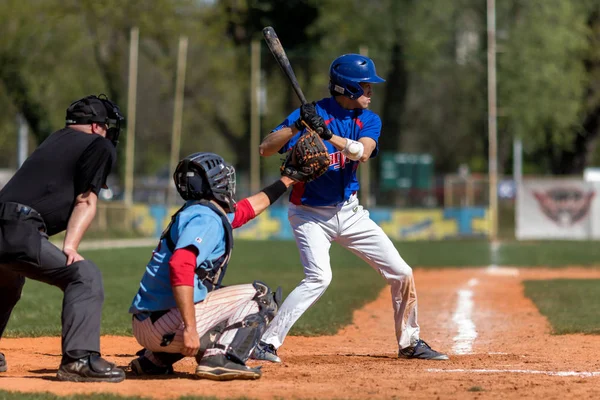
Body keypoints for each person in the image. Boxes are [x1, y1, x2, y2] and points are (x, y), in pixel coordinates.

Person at [253, 54, 448, 363]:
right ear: (346, 88)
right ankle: (265, 343)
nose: (370, 92)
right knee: (319, 277)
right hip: (308, 214)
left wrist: (328, 135)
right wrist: (295, 127)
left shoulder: (368, 120)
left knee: (401, 272)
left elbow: (363, 153)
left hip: (349, 212)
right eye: (365, 86)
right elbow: (265, 148)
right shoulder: (310, 113)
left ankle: (410, 342)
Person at [127, 152, 296, 381]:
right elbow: (181, 264)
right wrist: (189, 328)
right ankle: (222, 359)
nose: (228, 183)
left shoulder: (197, 211)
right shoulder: (206, 218)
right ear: (216, 183)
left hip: (149, 322)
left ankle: (155, 360)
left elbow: (246, 210)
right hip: (165, 324)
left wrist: (286, 181)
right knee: (260, 297)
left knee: (216, 294)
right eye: (224, 178)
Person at [0, 94, 126, 382]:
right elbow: (85, 201)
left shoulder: (53, 141)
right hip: (19, 229)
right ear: (96, 126)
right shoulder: (99, 144)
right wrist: (70, 245)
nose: (107, 132)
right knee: (85, 275)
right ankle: (79, 360)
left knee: (8, 278)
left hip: (4, 223)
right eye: (105, 126)